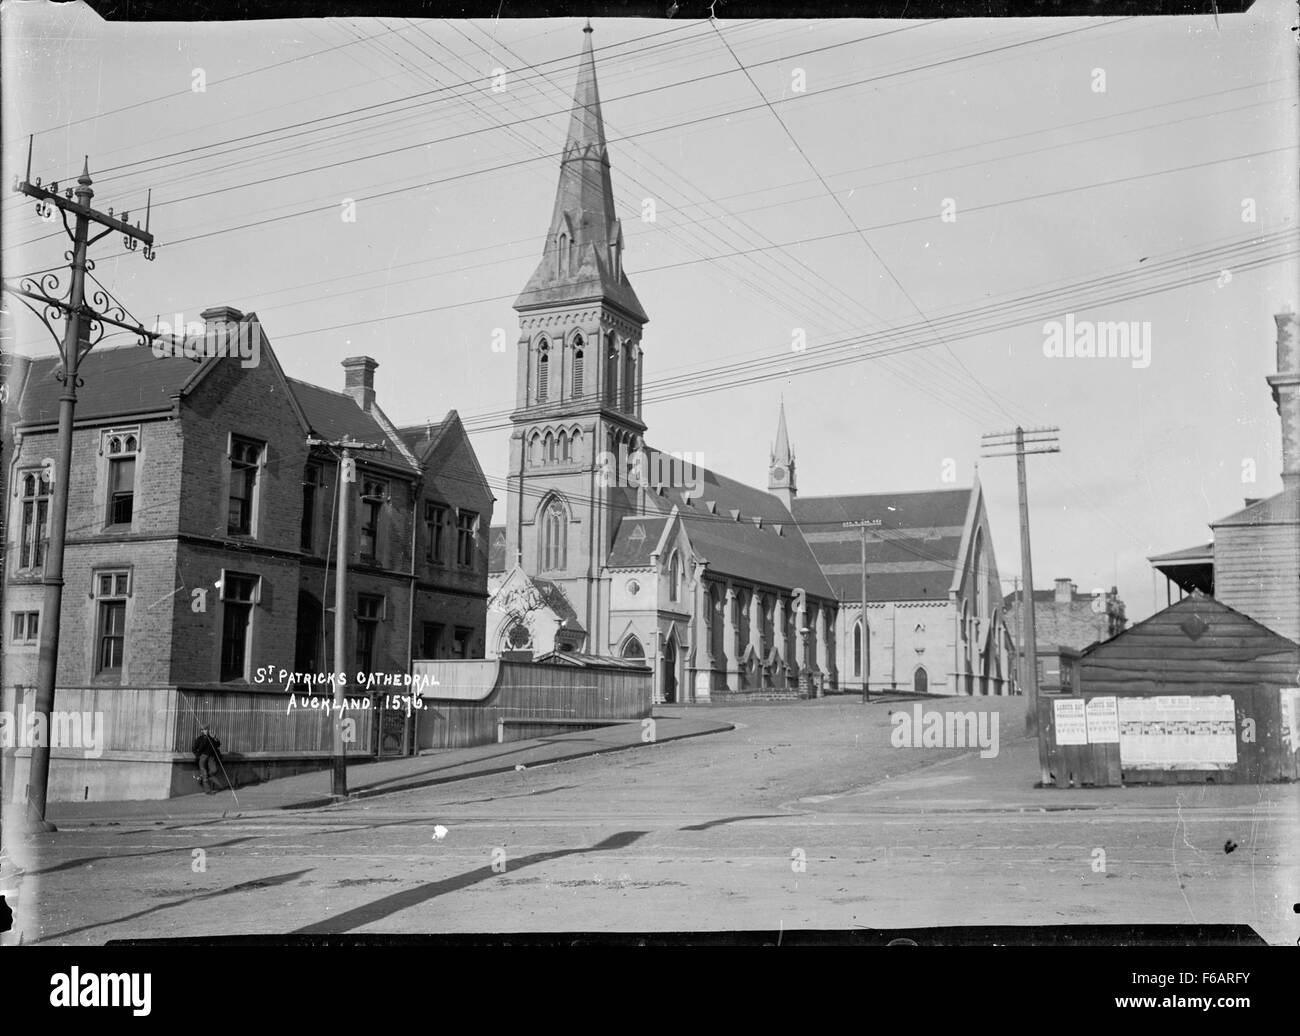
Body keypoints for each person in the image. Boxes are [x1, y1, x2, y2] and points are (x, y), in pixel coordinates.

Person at [192, 725, 222, 794]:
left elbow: (218, 745)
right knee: (204, 773)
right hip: (203, 757)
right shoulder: (199, 739)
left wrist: (215, 738)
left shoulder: (211, 738)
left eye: (206, 729)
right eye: (204, 730)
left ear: (208, 730)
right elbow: (194, 749)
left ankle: (203, 776)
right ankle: (208, 791)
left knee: (214, 770)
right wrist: (198, 756)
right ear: (201, 731)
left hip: (211, 757)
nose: (205, 731)